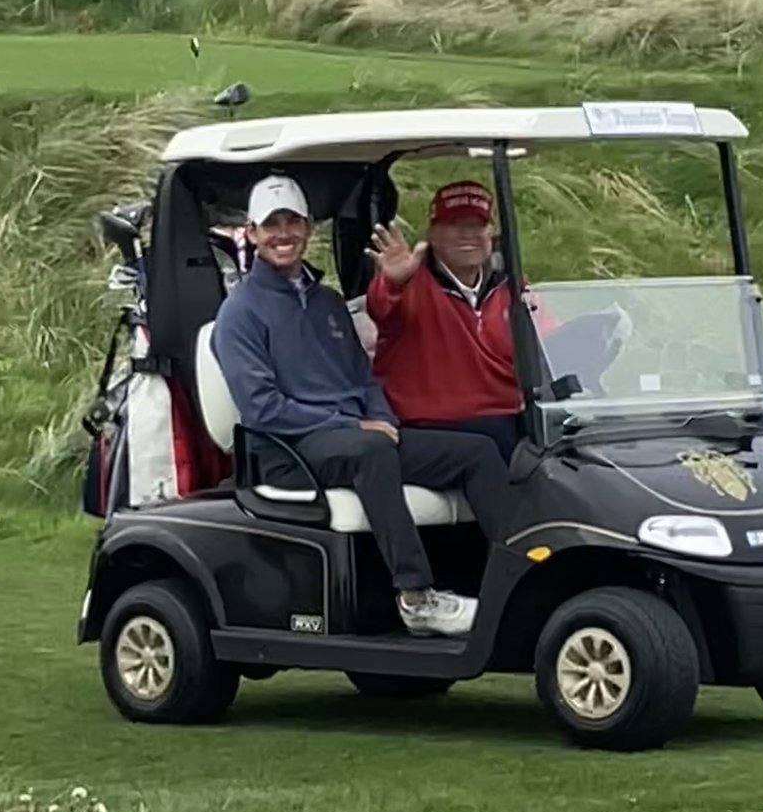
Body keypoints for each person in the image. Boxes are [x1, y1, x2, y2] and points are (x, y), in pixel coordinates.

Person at [211, 174, 513, 638]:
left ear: (309, 227)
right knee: (370, 451)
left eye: (293, 221)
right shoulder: (240, 314)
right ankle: (416, 596)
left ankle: (517, 578)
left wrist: (383, 418)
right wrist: (353, 424)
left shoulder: (326, 303)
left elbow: (362, 378)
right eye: (272, 225)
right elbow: (262, 409)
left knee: (476, 452)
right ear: (252, 233)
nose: (284, 234)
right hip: (288, 450)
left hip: (351, 437)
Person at [366, 180, 557, 463]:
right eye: (455, 225)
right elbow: (382, 308)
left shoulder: (511, 285)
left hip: (507, 417)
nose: (468, 234)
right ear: (433, 233)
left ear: (490, 232)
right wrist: (394, 282)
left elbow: (550, 341)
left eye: (477, 225)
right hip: (433, 422)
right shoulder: (409, 282)